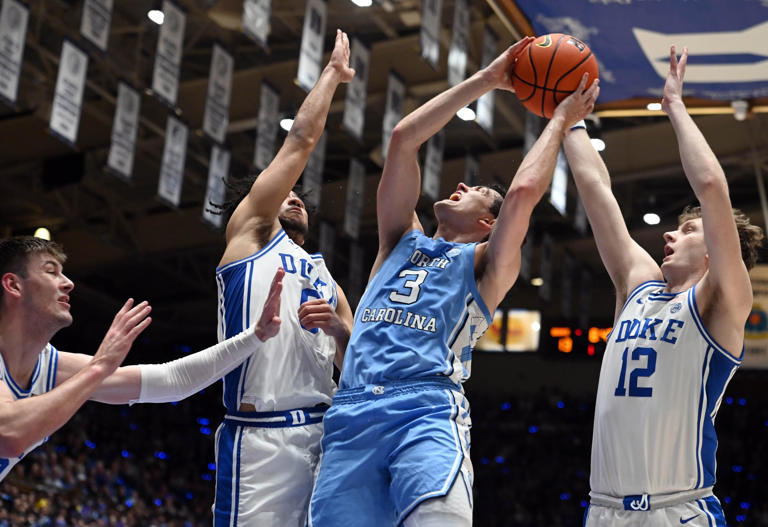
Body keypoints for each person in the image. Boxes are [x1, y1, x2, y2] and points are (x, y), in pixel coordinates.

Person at [307, 37, 599, 526]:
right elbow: (403, 137)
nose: (459, 186)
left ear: (488, 224)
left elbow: (525, 191)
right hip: (352, 410)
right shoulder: (400, 240)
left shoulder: (486, 265)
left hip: (423, 410)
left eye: (476, 192)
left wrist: (559, 120)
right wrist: (489, 78)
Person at [564, 47, 764, 526]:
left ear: (716, 251)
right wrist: (568, 122)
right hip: (603, 511)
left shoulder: (719, 302)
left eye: (689, 231)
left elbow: (712, 187)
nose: (670, 235)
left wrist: (674, 105)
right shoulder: (638, 287)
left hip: (676, 511)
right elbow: (596, 190)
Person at [212, 29, 355, 526]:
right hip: (262, 441)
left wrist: (340, 330)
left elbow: (358, 359)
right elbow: (300, 140)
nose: (295, 197)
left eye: (303, 199)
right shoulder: (249, 237)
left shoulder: (324, 274)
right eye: (285, 192)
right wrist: (333, 76)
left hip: (326, 434)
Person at [0, 235, 285, 481]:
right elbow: (11, 435)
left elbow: (172, 381)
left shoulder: (49, 366)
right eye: (51, 272)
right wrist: (98, 367)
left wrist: (254, 336)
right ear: (13, 285)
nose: (69, 283)